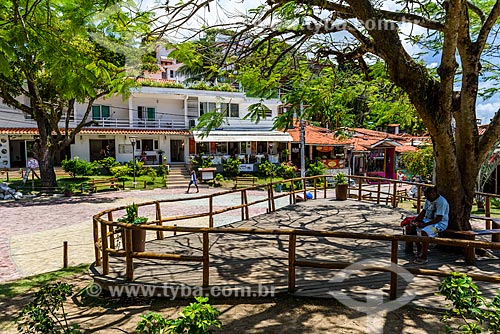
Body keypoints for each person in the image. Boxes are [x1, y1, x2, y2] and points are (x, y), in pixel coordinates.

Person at [405, 187, 449, 264]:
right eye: (426, 196)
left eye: (428, 196)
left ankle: (424, 256)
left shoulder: (441, 202)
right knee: (410, 227)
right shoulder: (428, 199)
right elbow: (423, 211)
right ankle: (419, 248)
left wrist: (424, 225)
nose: (427, 198)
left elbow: (439, 218)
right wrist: (415, 220)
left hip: (439, 225)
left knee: (425, 232)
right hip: (427, 221)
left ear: (434, 193)